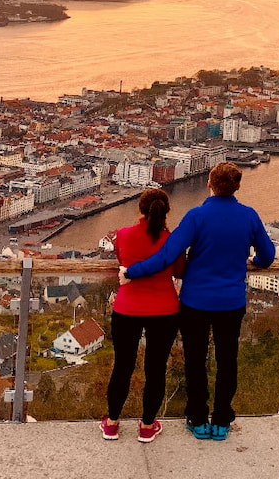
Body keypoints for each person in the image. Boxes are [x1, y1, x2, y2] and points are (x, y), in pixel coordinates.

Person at [120, 162, 276, 441]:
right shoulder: (249, 216)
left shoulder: (196, 216)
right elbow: (267, 255)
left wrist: (132, 272)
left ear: (209, 184)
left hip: (195, 302)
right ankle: (222, 420)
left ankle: (198, 418)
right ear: (238, 186)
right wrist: (256, 261)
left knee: (196, 360)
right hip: (231, 301)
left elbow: (167, 255)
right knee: (227, 360)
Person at [101, 188, 183, 443]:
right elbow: (180, 271)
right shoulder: (173, 240)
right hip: (165, 309)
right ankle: (147, 426)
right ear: (166, 211)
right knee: (155, 369)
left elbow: (122, 261)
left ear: (140, 209)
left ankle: (112, 423)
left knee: (122, 367)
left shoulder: (123, 235)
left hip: (127, 309)